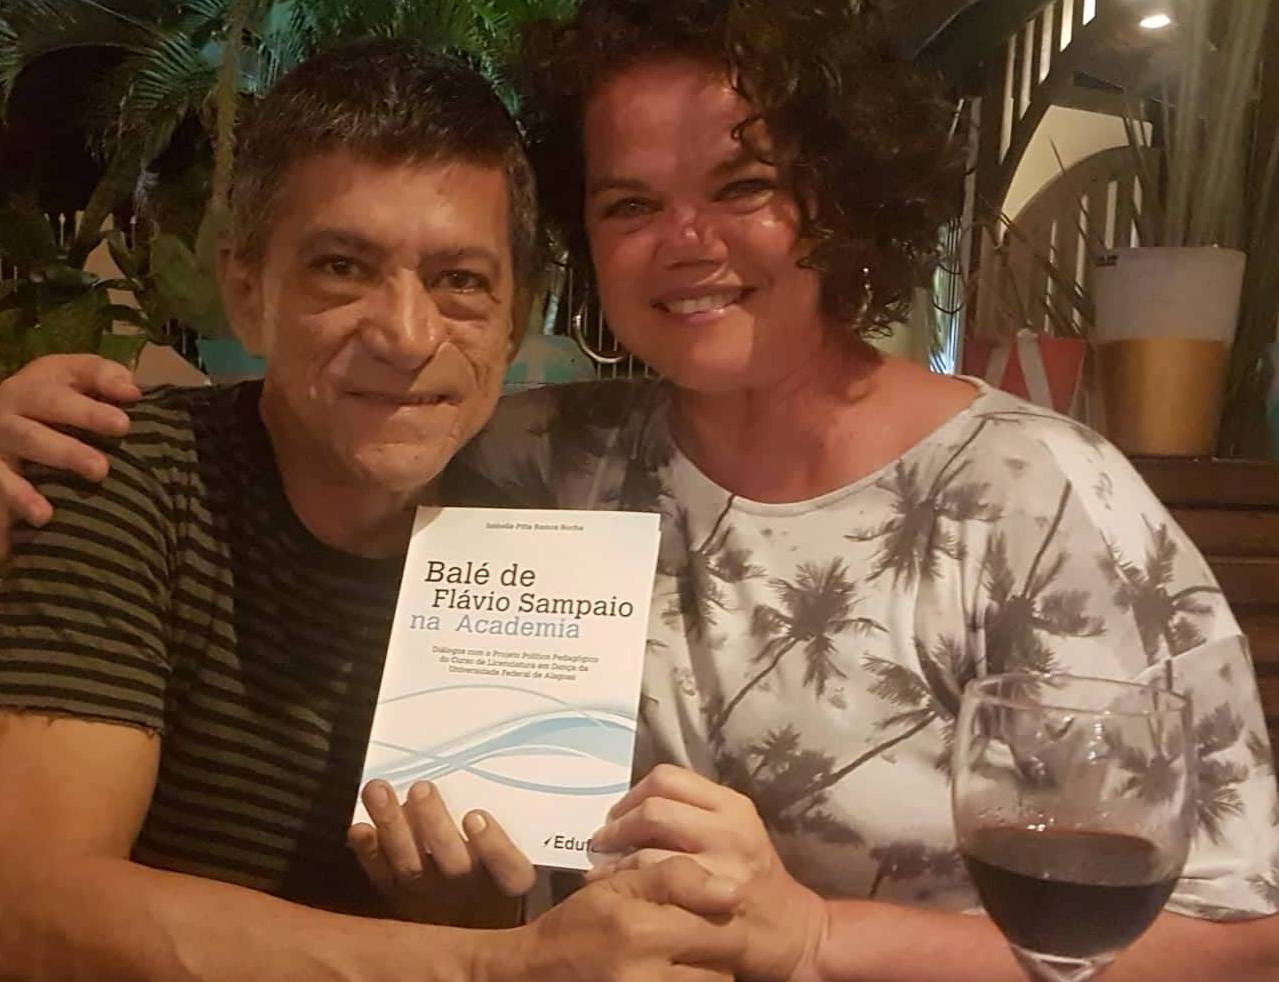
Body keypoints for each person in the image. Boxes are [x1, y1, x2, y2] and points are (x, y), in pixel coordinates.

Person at [3, 1, 1278, 979]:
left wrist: (818, 936)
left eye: (743, 185)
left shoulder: (1034, 498)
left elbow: (1237, 936)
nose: (687, 242)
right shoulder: (542, 456)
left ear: (840, 198)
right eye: (628, 203)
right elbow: (307, 420)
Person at [0, 38, 749, 982]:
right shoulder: (126, 472)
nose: (405, 335)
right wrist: (498, 965)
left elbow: (481, 916)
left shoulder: (548, 524)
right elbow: (30, 909)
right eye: (342, 267)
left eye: (460, 281)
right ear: (246, 290)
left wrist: (474, 914)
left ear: (516, 318)